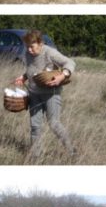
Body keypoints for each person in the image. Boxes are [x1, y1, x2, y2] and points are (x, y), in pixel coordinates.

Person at [14, 30, 76, 159]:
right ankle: (36, 157)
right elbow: (31, 70)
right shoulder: (28, 53)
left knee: (54, 123)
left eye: (32, 46)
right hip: (34, 94)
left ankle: (72, 151)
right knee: (35, 126)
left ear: (40, 43)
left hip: (51, 94)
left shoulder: (49, 52)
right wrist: (23, 77)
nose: (29, 50)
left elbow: (70, 63)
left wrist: (61, 76)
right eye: (27, 46)